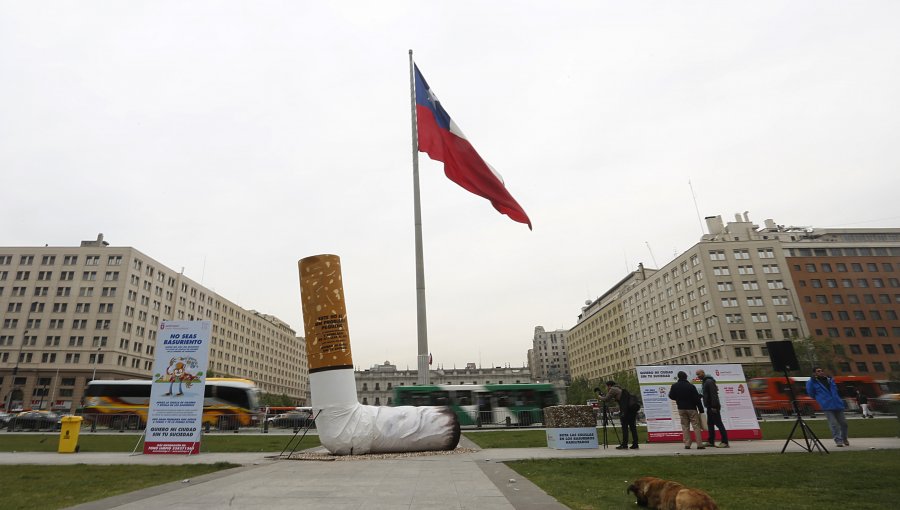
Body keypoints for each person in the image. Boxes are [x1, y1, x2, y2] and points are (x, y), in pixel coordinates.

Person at [806, 367, 849, 447]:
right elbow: (811, 394)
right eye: (818, 371)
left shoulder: (830, 380)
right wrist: (821, 399)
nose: (821, 372)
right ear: (814, 373)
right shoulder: (811, 382)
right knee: (834, 424)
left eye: (822, 370)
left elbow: (835, 391)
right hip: (826, 405)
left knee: (844, 424)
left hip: (837, 404)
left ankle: (844, 438)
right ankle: (838, 440)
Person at [597, 380, 640, 450]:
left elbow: (606, 399)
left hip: (626, 411)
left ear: (609, 386)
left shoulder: (612, 389)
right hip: (631, 410)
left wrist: (599, 397)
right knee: (633, 427)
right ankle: (635, 444)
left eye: (607, 387)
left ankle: (624, 444)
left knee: (625, 427)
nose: (607, 388)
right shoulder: (619, 388)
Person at [668, 371, 705, 449]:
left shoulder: (674, 386)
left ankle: (687, 444)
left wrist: (678, 399)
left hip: (681, 408)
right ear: (686, 377)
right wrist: (701, 410)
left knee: (685, 426)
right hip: (692, 408)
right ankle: (699, 444)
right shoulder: (691, 386)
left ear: (678, 377)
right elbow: (696, 399)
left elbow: (671, 396)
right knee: (696, 426)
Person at [696, 369, 729, 448]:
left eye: (699, 374)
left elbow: (713, 394)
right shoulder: (705, 382)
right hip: (709, 406)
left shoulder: (709, 382)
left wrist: (714, 406)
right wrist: (701, 396)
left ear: (703, 373)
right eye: (697, 375)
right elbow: (708, 394)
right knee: (710, 424)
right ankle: (711, 441)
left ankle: (725, 442)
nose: (698, 376)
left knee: (719, 424)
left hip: (713, 407)